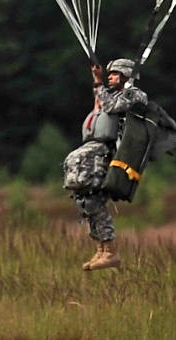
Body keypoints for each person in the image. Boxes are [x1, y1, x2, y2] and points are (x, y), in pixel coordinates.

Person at [64, 58, 148, 271]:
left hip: (113, 155)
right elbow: (100, 106)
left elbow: (110, 106)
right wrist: (96, 81)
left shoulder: (134, 95)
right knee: (87, 200)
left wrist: (99, 82)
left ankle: (110, 251)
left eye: (114, 74)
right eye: (109, 74)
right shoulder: (110, 95)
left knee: (90, 194)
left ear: (126, 76)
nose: (110, 77)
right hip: (97, 152)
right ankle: (102, 249)